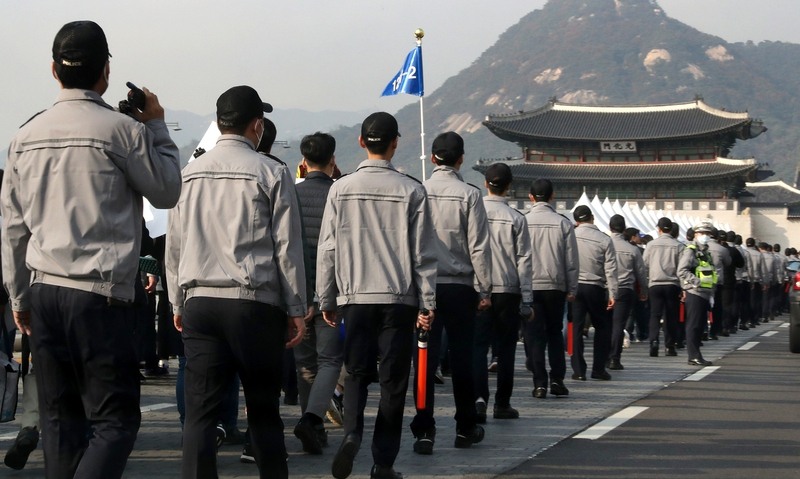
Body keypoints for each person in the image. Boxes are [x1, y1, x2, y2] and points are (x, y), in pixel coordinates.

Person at [1, 21, 181, 478]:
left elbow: (13, 231)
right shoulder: (123, 131)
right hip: (100, 295)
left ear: (53, 70)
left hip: (44, 292)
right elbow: (166, 191)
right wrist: (156, 125)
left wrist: (19, 298)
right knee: (115, 421)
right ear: (106, 71)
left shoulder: (24, 137)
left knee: (60, 421)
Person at [166, 85, 307, 479]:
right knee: (263, 411)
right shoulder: (271, 172)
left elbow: (174, 246)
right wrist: (296, 309)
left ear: (218, 122)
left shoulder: (189, 174)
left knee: (200, 415)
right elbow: (287, 249)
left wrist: (178, 301)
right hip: (253, 304)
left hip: (200, 302)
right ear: (257, 125)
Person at [317, 112, 437, 479]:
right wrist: (428, 302)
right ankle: (383, 462)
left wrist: (326, 298)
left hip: (355, 298)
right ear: (395, 143)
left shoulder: (341, 188)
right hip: (398, 300)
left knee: (354, 373)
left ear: (361, 142)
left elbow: (328, 248)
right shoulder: (412, 189)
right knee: (393, 381)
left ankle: (352, 432)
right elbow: (423, 255)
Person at [409, 132, 492, 455]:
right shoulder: (470, 195)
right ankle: (465, 426)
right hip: (460, 287)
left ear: (432, 159)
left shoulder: (418, 191)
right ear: (460, 160)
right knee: (462, 358)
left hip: (424, 287)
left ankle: (424, 428)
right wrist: (484, 289)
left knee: (425, 359)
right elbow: (479, 247)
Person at [292, 132, 344, 455]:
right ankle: (312, 421)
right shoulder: (340, 195)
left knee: (305, 365)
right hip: (331, 295)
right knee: (330, 362)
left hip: (298, 295)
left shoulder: (291, 195)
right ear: (333, 161)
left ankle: (311, 424)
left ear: (302, 163)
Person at [473, 163, 532, 421]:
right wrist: (527, 300)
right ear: (509, 186)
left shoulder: (473, 213)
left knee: (478, 347)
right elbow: (524, 261)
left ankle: (478, 398)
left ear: (486, 183)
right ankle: (502, 403)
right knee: (506, 349)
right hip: (508, 289)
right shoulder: (517, 218)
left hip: (478, 289)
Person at [523, 179, 577, 398]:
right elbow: (571, 260)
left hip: (531, 285)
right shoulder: (563, 223)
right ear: (553, 196)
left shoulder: (522, 221)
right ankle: (557, 380)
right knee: (554, 333)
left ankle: (539, 384)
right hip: (556, 286)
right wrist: (572, 288)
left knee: (535, 336)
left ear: (530, 197)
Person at [570, 206, 618, 381]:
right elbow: (611, 270)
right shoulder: (604, 239)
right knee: (603, 327)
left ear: (576, 220)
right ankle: (598, 368)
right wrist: (613, 293)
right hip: (595, 287)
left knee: (573, 328)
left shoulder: (570, 235)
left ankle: (577, 369)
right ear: (592, 218)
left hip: (573, 287)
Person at [608, 215, 648, 370]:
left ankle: (603, 357)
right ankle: (614, 359)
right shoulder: (632, 249)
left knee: (605, 325)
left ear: (610, 227)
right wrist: (644, 291)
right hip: (625, 289)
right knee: (619, 325)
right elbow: (641, 273)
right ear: (624, 229)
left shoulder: (603, 244)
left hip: (605, 288)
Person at [643, 217, 683, 357]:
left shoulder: (650, 245)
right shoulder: (678, 246)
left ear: (658, 229)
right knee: (671, 316)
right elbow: (682, 269)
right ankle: (669, 346)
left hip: (654, 284)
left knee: (655, 314)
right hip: (672, 284)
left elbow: (645, 265)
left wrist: (645, 283)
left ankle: (654, 341)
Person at [678, 222, 718, 366]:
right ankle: (693, 355)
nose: (705, 236)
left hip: (705, 293)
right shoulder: (691, 250)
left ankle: (696, 354)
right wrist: (696, 282)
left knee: (700, 325)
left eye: (708, 234)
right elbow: (682, 270)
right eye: (702, 233)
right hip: (695, 292)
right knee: (694, 325)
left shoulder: (706, 252)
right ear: (696, 234)